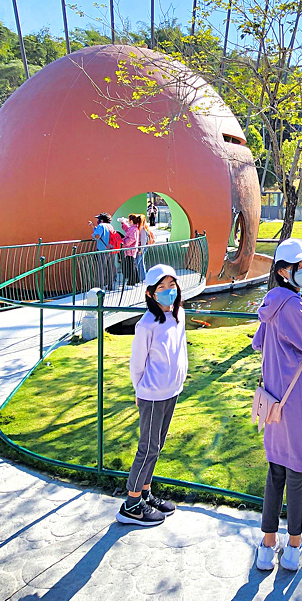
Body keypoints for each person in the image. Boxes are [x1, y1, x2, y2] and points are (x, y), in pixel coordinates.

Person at [253, 238, 302, 572]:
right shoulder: (294, 305)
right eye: (300, 267)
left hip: (273, 398)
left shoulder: (271, 301)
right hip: (295, 402)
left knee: (276, 471)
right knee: (296, 474)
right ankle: (293, 547)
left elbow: (258, 342)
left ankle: (267, 546)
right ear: (284, 271)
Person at [115, 265, 187, 526]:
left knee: (157, 446)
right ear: (151, 294)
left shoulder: (179, 314)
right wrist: (140, 390)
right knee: (147, 448)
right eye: (161, 288)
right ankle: (131, 504)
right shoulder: (146, 324)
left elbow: (179, 351)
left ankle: (145, 492)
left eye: (171, 285)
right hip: (152, 393)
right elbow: (137, 363)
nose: (168, 291)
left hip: (171, 391)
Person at [91, 213, 119, 290]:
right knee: (110, 268)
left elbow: (97, 236)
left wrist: (94, 233)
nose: (98, 221)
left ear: (102, 220)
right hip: (111, 249)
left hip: (102, 250)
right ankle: (111, 285)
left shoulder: (101, 226)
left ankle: (100, 287)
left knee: (101, 268)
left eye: (98, 219)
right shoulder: (110, 226)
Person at [118, 214, 139, 285]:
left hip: (130, 249)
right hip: (129, 249)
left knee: (131, 265)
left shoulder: (134, 229)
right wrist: (123, 223)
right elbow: (127, 229)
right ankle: (136, 279)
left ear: (132, 221)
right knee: (132, 264)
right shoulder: (133, 228)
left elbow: (133, 239)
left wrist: (124, 243)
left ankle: (131, 281)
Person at [134, 213, 156, 282]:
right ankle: (143, 277)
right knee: (141, 263)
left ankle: (140, 278)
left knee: (137, 262)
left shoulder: (142, 230)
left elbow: (143, 240)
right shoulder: (143, 228)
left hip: (142, 247)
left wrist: (141, 249)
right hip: (142, 247)